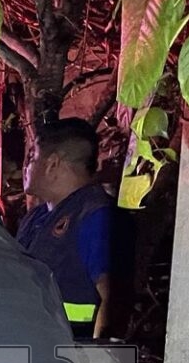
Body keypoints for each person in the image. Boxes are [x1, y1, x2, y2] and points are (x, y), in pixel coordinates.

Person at [17, 118, 132, 341]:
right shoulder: (36, 218)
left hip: (70, 358)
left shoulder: (96, 216)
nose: (26, 167)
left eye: (32, 157)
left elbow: (114, 299)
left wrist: (99, 362)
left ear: (52, 164)